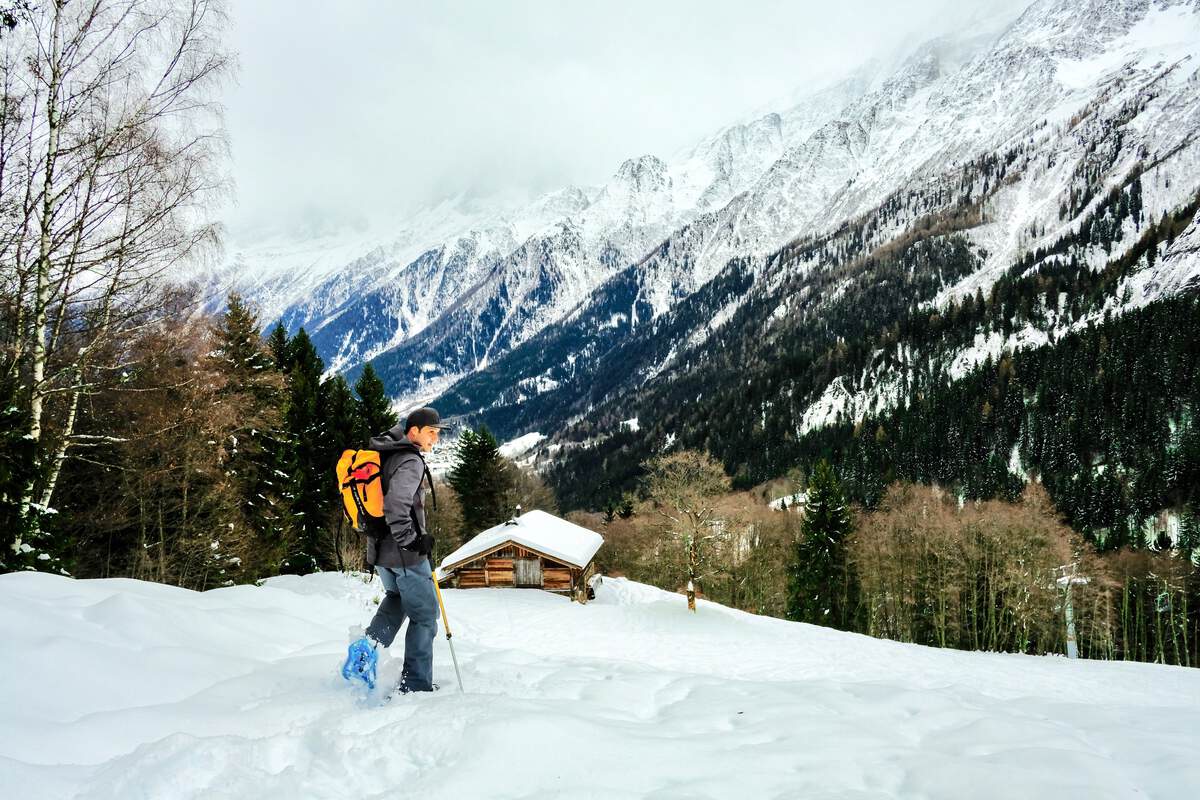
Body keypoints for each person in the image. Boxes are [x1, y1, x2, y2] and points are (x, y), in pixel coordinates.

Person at [343, 406, 449, 694]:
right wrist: (413, 541)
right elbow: (395, 506)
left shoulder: (385, 453)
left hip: (379, 551)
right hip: (405, 555)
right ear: (413, 431)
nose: (434, 439)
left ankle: (366, 652)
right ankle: (415, 685)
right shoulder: (410, 461)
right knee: (425, 616)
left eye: (437, 433)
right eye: (431, 432)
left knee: (396, 598)